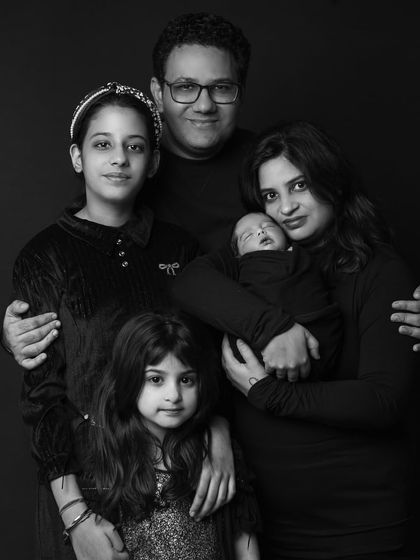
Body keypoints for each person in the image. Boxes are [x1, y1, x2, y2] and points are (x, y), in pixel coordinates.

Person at [2, 12, 420, 373]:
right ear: (158, 92)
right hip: (170, 397)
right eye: (186, 87)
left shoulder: (270, 167)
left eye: (221, 87)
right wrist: (16, 335)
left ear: (240, 92)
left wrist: (398, 303)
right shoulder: (128, 171)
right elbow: (80, 271)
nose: (204, 105)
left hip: (279, 378)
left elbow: (348, 243)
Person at [172, 121, 418, 559]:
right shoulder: (259, 251)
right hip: (269, 526)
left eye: (299, 185)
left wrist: (270, 394)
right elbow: (189, 282)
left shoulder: (381, 271)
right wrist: (272, 328)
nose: (285, 207)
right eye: (270, 195)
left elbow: (383, 402)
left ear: (331, 180)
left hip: (361, 527)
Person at [11, 82, 233, 560]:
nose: (118, 159)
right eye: (102, 144)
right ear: (78, 157)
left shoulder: (180, 248)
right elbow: (42, 396)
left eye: (134, 146)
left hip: (180, 484)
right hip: (85, 490)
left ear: (152, 161)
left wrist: (219, 433)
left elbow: (207, 363)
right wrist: (76, 517)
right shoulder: (45, 256)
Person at [86, 309, 260, 560]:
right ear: (129, 378)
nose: (174, 395)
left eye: (186, 380)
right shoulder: (107, 452)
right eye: (156, 379)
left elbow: (243, 536)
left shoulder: (214, 453)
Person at [226, 211, 342, 380]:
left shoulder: (302, 257)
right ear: (239, 255)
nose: (260, 232)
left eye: (269, 226)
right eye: (248, 236)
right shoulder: (248, 269)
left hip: (316, 329)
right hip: (265, 346)